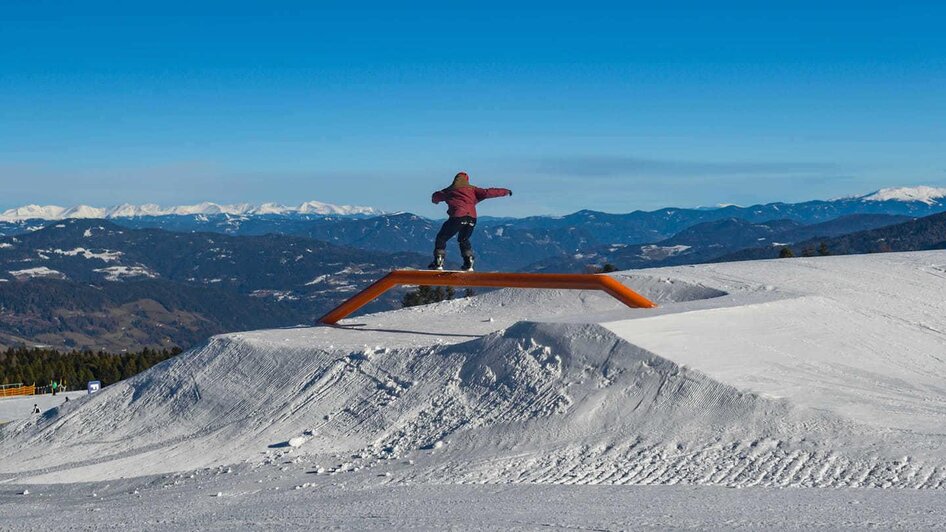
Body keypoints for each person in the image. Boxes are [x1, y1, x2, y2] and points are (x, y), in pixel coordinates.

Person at [429, 172, 511, 271]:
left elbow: (436, 196)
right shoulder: (474, 190)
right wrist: (506, 191)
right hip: (472, 218)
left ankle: (438, 262)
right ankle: (468, 263)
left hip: (457, 217)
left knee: (442, 238)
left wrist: (435, 201)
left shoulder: (448, 191)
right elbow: (489, 192)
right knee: (464, 239)